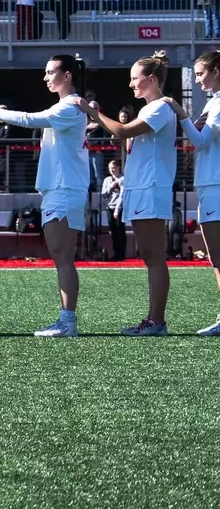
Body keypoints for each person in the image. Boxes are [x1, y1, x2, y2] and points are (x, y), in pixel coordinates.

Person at [0, 55, 89, 336]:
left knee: (63, 256)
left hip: (65, 188)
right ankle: (66, 320)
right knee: (60, 256)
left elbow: (29, 119)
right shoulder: (66, 105)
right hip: (59, 188)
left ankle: (68, 321)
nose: (46, 77)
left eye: (51, 72)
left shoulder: (70, 107)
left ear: (67, 75)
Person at [72, 51, 177, 335]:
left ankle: (157, 321)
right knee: (150, 256)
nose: (131, 84)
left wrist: (92, 112)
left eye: (134, 78)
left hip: (150, 186)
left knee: (154, 256)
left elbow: (121, 131)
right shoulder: (150, 108)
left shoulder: (159, 108)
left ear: (151, 79)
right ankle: (153, 319)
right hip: (142, 186)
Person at [173, 51, 220, 335]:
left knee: (218, 256)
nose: (198, 79)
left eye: (201, 73)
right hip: (210, 183)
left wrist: (182, 115)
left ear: (217, 70)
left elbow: (200, 141)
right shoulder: (213, 101)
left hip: (216, 184)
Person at [102, 158, 126, 262]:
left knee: (120, 230)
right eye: (110, 168)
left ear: (119, 167)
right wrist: (111, 187)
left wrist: (117, 209)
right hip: (109, 207)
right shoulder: (107, 180)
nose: (112, 170)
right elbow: (104, 195)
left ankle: (121, 254)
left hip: (120, 208)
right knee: (113, 231)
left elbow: (122, 195)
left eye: (114, 168)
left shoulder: (123, 179)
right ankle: (115, 252)